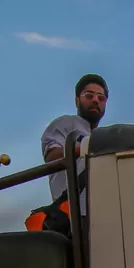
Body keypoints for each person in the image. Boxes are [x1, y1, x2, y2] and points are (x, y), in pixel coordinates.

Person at [41, 73, 108, 205]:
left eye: (101, 98)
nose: (95, 100)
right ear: (77, 100)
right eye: (89, 95)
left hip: (101, 210)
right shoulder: (66, 124)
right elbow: (52, 156)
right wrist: (83, 149)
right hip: (73, 213)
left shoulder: (103, 136)